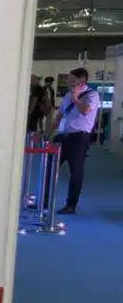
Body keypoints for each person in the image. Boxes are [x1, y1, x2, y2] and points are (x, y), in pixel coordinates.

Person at [52, 66, 100, 215]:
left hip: (79, 138)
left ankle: (71, 205)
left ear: (81, 81)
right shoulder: (67, 95)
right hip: (63, 136)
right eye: (69, 79)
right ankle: (44, 201)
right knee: (50, 168)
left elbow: (86, 110)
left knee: (76, 173)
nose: (69, 82)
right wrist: (50, 129)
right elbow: (60, 114)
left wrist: (75, 98)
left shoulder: (92, 95)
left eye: (72, 80)